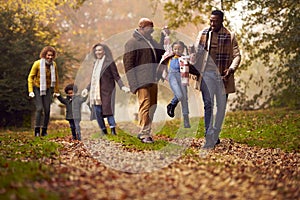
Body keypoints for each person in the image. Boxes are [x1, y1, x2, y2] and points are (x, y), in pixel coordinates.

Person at [194, 10, 241, 149]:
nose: (212, 23)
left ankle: (215, 134)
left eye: (215, 21)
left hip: (222, 76)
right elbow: (195, 51)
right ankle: (209, 137)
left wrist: (231, 69)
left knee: (221, 107)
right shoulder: (203, 34)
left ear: (221, 21)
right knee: (208, 104)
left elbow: (237, 55)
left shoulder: (230, 36)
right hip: (206, 74)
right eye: (211, 20)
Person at [123, 18, 165, 143]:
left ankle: (146, 130)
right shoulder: (132, 43)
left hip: (152, 78)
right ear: (141, 27)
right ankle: (144, 134)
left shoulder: (150, 41)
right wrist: (133, 84)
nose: (152, 29)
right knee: (145, 105)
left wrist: (163, 36)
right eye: (150, 27)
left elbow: (160, 52)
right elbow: (128, 65)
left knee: (153, 106)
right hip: (141, 80)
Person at [82, 43, 130, 135]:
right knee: (97, 111)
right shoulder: (95, 63)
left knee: (108, 110)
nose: (98, 52)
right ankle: (103, 131)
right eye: (96, 50)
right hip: (95, 92)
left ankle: (113, 130)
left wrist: (122, 86)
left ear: (104, 51)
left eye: (100, 50)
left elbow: (116, 76)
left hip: (107, 90)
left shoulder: (109, 62)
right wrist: (86, 89)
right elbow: (94, 79)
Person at [158, 41, 199, 128]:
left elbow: (192, 61)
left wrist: (191, 50)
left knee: (184, 99)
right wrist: (165, 34)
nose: (177, 50)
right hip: (172, 77)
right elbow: (165, 44)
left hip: (182, 78)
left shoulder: (184, 58)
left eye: (179, 49)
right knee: (179, 95)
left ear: (183, 49)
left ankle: (186, 121)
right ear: (172, 49)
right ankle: (171, 105)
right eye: (175, 49)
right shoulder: (168, 57)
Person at [28, 46, 60, 137]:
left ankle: (44, 130)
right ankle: (37, 130)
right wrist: (30, 90)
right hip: (37, 88)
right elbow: (30, 77)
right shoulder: (37, 64)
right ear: (44, 55)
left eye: (52, 55)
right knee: (39, 109)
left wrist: (56, 90)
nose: (50, 57)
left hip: (48, 89)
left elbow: (56, 78)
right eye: (48, 55)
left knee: (47, 110)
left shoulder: (53, 65)